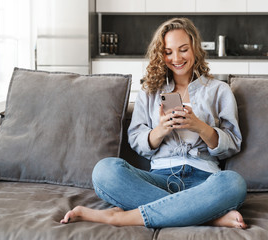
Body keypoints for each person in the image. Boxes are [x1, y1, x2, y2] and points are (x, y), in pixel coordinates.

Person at [60, 17, 247, 229]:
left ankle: (119, 217)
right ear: (161, 54)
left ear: (195, 48)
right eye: (168, 52)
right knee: (104, 171)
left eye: (183, 49)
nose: (176, 58)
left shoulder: (219, 90)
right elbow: (137, 141)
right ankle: (206, 215)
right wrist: (160, 130)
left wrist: (198, 126)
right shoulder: (150, 92)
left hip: (204, 182)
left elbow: (232, 144)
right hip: (158, 178)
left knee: (234, 183)